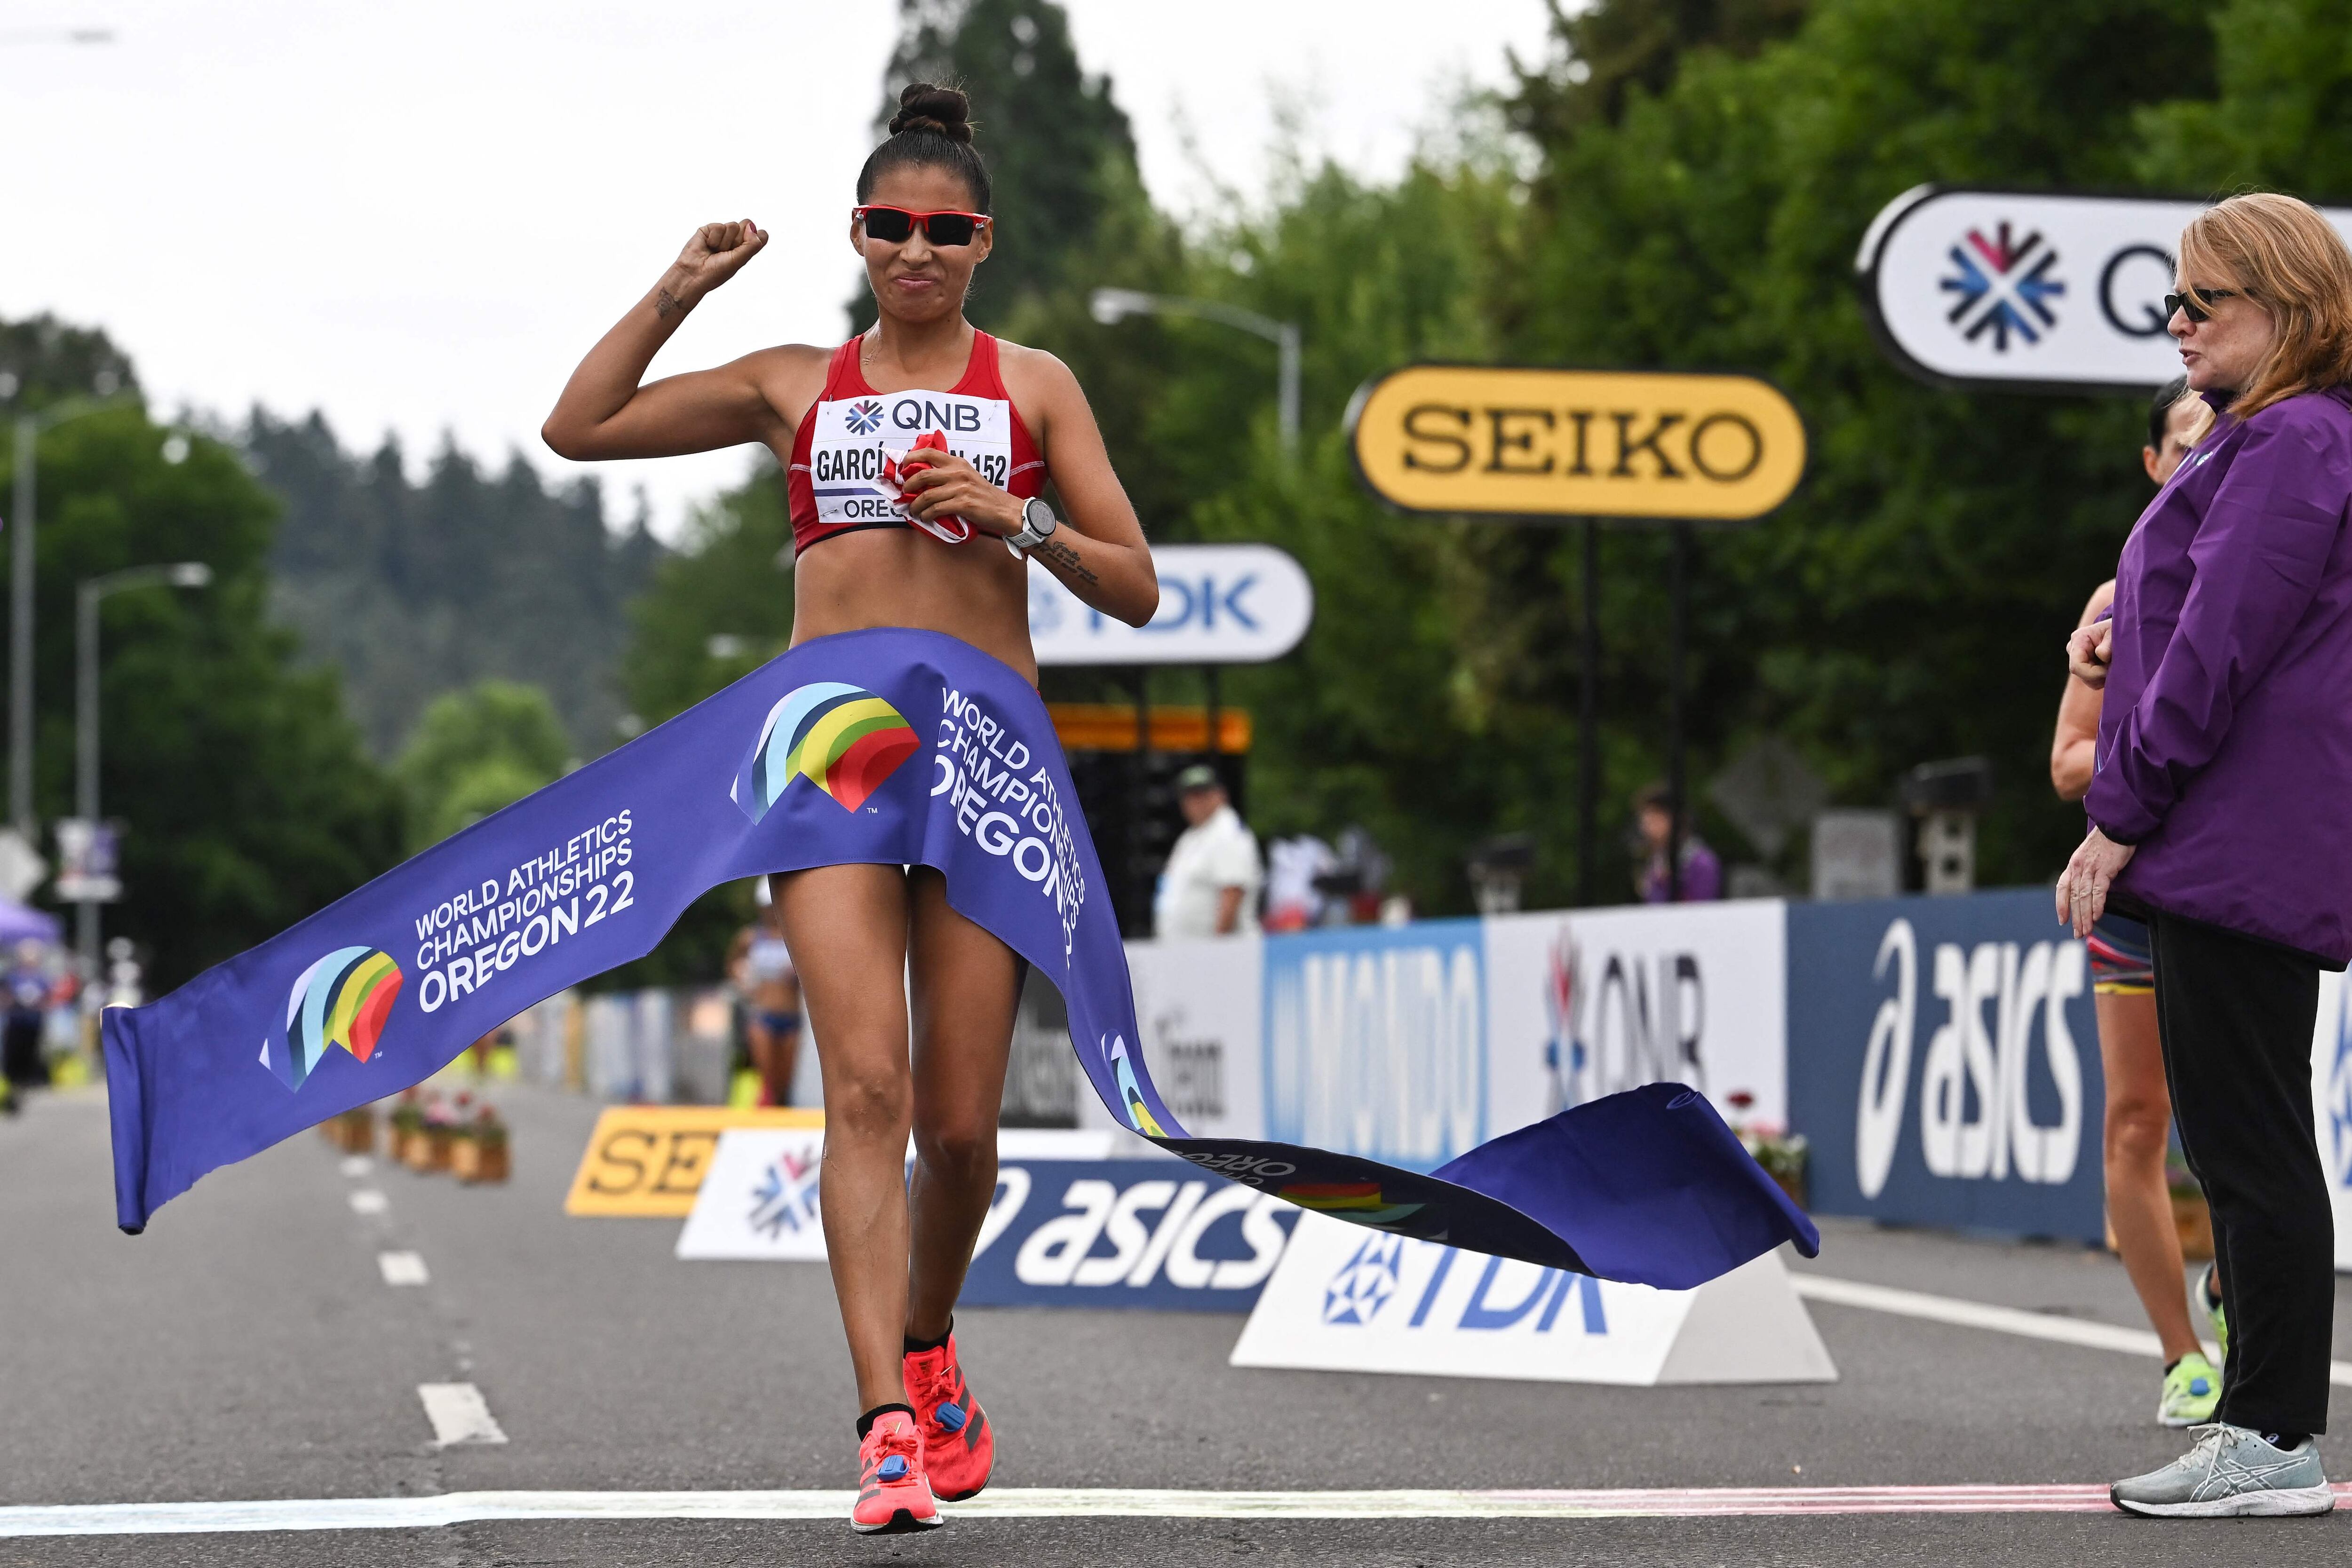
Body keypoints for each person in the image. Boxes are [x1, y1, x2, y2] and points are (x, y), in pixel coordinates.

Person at [542, 84, 1157, 1534]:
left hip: (982, 766)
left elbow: (1134, 583)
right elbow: (580, 428)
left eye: (943, 230)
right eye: (889, 226)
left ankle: (932, 1346)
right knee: (865, 1091)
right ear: (859, 236)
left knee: (960, 1129)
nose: (915, 249)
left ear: (980, 241)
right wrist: (675, 290)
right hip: (827, 766)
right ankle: (885, 1421)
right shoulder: (789, 382)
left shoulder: (1037, 385)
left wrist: (1019, 518)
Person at [2058, 191, 2352, 1519]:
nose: (2174, 324)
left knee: (2248, 1145)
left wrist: (2118, 813)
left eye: (2200, 302)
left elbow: (2225, 643)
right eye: (2168, 302)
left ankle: (2276, 1434)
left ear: (2287, 307)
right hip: (2238, 830)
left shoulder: (2293, 436)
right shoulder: (2274, 436)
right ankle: (2265, 1427)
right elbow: (2216, 621)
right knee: (2243, 1139)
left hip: (2239, 836)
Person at [2050, 376, 2224, 1428]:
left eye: (2221, 437)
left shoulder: (2280, 566)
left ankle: (2242, 1283)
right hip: (2130, 892)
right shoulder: (2116, 601)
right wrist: (2141, 756)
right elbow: (2068, 764)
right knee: (2136, 1120)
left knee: (2241, 1122)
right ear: (2155, 465)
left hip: (2236, 891)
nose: (2205, 453)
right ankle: (2182, 1357)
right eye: (2184, 442)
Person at [1153, 764, 1263, 939]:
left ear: (1220, 795)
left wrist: (1215, 951)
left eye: (1202, 794)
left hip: (1221, 956)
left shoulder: (1228, 832)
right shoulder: (1192, 836)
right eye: (1189, 795)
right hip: (1187, 954)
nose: (1196, 801)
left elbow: (1232, 892)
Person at [727, 888, 803, 1107]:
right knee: (766, 1076)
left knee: (785, 1081)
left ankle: (780, 1118)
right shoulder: (751, 938)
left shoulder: (796, 938)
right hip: (763, 1014)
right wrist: (743, 984)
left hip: (791, 1015)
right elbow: (732, 963)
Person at [1631, 782, 1720, 903]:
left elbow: (1700, 911)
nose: (1646, 827)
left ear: (1674, 819)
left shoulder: (1700, 862)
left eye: (1653, 819)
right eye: (1645, 821)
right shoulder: (1657, 861)